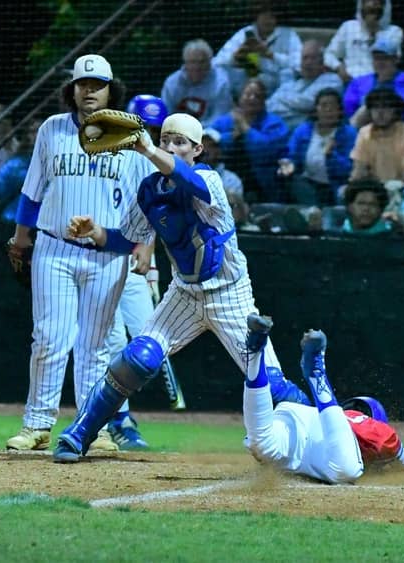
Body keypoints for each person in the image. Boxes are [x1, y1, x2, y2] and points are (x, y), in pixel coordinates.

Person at [50, 112, 296, 462]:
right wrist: (95, 233)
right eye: (165, 139)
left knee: (272, 385)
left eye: (179, 142)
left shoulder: (207, 180)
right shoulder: (150, 190)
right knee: (139, 358)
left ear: (197, 149)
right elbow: (128, 240)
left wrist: (149, 150)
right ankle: (78, 435)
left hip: (230, 294)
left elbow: (186, 181)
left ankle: (331, 426)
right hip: (184, 295)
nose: (170, 146)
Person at [4, 54, 156, 453]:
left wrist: (148, 246)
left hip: (109, 254)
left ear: (111, 88)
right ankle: (37, 425)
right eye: (82, 84)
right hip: (53, 247)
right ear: (71, 89)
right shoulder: (52, 130)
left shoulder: (131, 132)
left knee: (96, 344)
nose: (88, 91)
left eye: (97, 84)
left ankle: (96, 429)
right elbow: (32, 191)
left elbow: (151, 196)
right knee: (50, 339)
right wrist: (21, 239)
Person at [240, 314, 404, 484]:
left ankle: (255, 354)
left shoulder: (328, 418)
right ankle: (316, 374)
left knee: (261, 443)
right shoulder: (367, 428)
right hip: (325, 448)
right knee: (347, 471)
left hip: (299, 431)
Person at [102, 95, 181, 450]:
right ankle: (121, 421)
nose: (146, 133)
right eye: (142, 125)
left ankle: (116, 414)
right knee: (112, 341)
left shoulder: (158, 162)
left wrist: (149, 255)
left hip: (136, 261)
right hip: (102, 252)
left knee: (150, 340)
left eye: (154, 128)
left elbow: (154, 214)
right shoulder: (108, 148)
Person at [277, 88, 357, 206]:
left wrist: (331, 155)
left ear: (340, 111)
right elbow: (290, 155)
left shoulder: (349, 133)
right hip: (307, 183)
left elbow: (349, 169)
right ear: (316, 110)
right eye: (324, 105)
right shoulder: (303, 130)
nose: (329, 110)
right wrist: (288, 164)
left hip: (336, 186)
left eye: (333, 106)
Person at [212, 1, 302, 95]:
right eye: (263, 15)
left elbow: (300, 66)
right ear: (256, 16)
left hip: (277, 91)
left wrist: (271, 55)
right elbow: (216, 63)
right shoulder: (244, 33)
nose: (267, 20)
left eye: (271, 16)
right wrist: (234, 57)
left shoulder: (289, 35)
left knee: (287, 73)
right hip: (246, 90)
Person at [348, 87, 404, 186]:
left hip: (401, 190)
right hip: (373, 190)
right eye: (376, 107)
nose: (380, 112)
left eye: (386, 107)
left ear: (395, 110)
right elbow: (359, 171)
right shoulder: (364, 133)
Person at [265, 40, 344, 129]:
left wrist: (281, 97)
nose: (308, 62)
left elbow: (307, 103)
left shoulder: (332, 80)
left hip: (307, 130)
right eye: (305, 58)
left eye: (313, 58)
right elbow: (269, 105)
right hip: (274, 125)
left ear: (322, 62)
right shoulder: (294, 83)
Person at [324, 0, 404, 84]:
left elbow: (394, 60)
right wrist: (339, 67)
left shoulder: (394, 31)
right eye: (368, 2)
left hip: (378, 83)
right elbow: (328, 54)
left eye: (378, 3)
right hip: (348, 80)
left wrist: (372, 32)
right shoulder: (348, 27)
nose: (373, 4)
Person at [161, 39, 234, 125]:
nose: (197, 67)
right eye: (192, 62)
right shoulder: (172, 83)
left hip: (208, 133)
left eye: (202, 62)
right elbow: (166, 114)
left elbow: (219, 117)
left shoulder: (221, 83)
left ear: (210, 62)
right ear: (185, 62)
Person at [0, 117, 44, 223]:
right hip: (15, 219)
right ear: (28, 136)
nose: (38, 135)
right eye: (33, 131)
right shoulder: (14, 165)